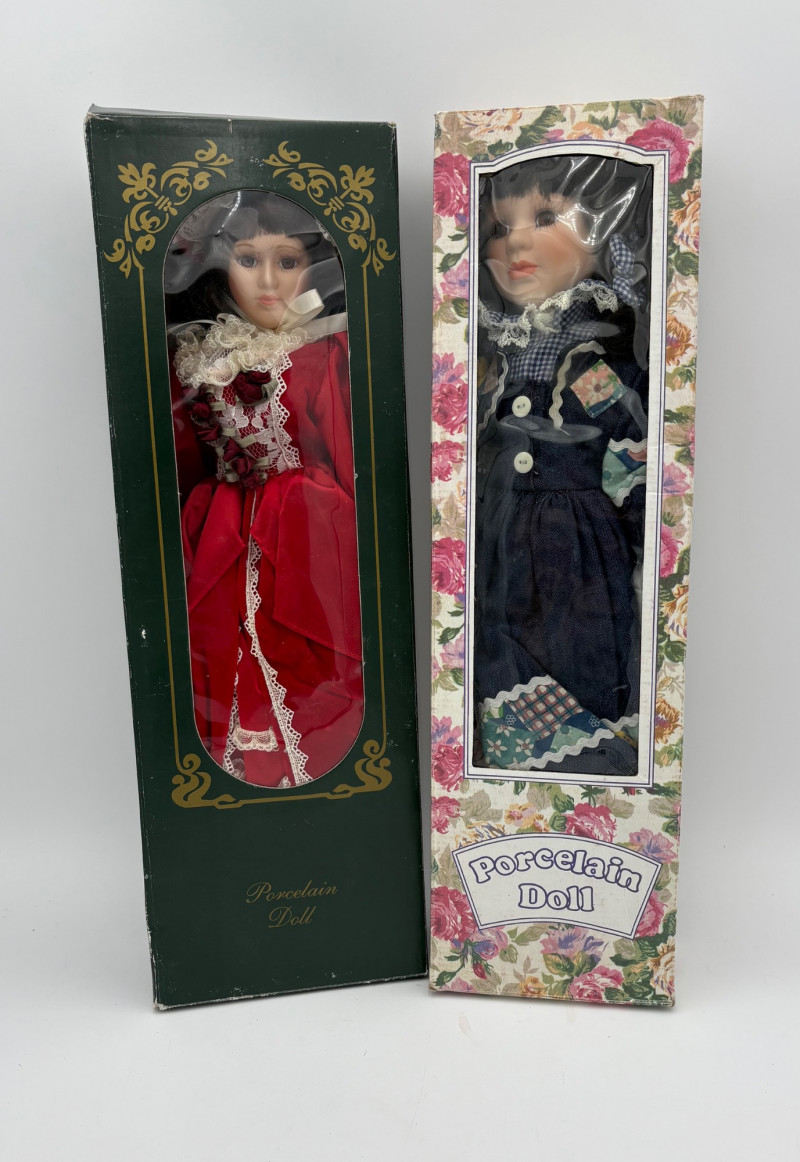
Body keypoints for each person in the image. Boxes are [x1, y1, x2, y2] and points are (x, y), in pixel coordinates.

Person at [168, 191, 363, 787]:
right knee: (222, 646)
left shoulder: (325, 351)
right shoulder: (200, 356)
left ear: (312, 268)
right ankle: (248, 778)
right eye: (249, 260)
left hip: (307, 536)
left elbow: (348, 454)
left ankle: (321, 776)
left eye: (288, 261)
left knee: (307, 655)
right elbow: (180, 458)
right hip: (223, 534)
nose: (269, 280)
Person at [473, 154, 652, 777]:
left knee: (582, 667)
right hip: (495, 550)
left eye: (545, 218)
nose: (516, 240)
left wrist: (647, 553)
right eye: (499, 227)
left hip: (576, 562)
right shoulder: (489, 357)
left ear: (603, 237)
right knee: (494, 661)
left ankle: (590, 782)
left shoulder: (598, 364)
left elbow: (631, 458)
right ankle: (508, 792)